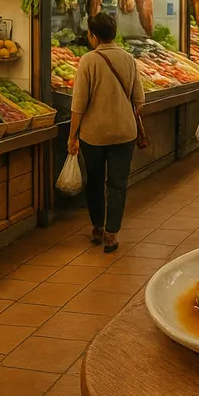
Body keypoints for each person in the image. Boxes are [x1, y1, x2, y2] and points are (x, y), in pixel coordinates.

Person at [67, 13, 144, 253]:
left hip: (94, 134)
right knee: (118, 183)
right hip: (124, 133)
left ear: (93, 35)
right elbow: (139, 100)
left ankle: (97, 228)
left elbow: (78, 105)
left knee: (96, 181)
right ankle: (112, 234)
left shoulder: (88, 61)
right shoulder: (128, 59)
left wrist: (72, 136)